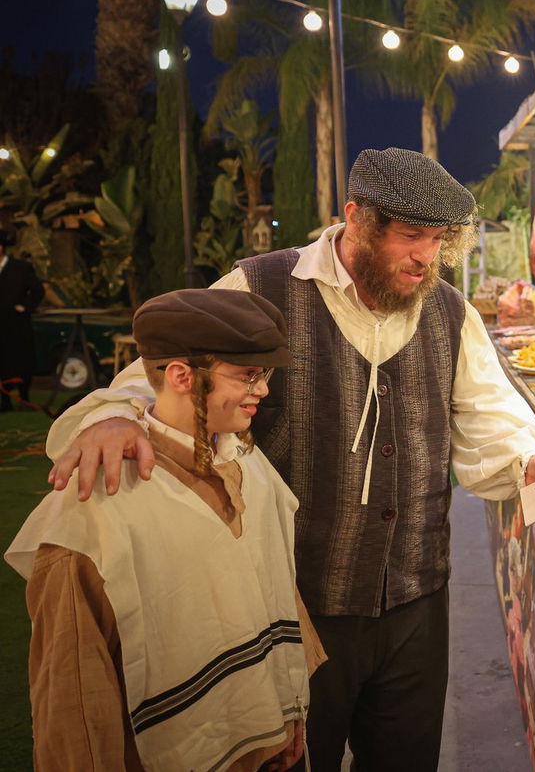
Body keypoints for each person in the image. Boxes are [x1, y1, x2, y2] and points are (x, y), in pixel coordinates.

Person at [46, 148, 535, 770]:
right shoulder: (263, 284)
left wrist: (529, 461)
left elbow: (491, 414)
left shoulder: (448, 310)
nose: (426, 257)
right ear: (356, 219)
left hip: (416, 600)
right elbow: (162, 377)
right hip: (292, 602)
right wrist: (109, 416)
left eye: (438, 239)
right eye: (410, 237)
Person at [7, 288, 323, 771]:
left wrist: (290, 714)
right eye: (248, 375)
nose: (263, 390)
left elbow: (277, 586)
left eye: (265, 374)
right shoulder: (91, 515)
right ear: (181, 376)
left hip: (266, 743)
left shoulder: (250, 462)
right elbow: (72, 691)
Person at [0, 230, 47, 411]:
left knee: (21, 360)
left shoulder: (20, 268)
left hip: (17, 323)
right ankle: (4, 401)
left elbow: (38, 290)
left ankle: (24, 397)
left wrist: (26, 307)